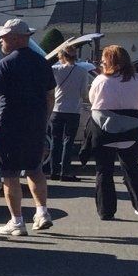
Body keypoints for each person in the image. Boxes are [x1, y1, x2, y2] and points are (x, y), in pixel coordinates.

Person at [0, 19, 56, 237]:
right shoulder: (42, 62)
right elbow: (50, 96)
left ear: (17, 38)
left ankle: (17, 221)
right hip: (36, 125)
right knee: (35, 169)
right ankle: (42, 212)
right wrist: (44, 120)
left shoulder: (8, 63)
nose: (1, 41)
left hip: (11, 124)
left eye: (4, 37)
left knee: (9, 174)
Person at [87, 45, 138, 219]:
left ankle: (106, 211)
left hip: (104, 127)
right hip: (131, 127)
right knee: (132, 167)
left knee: (103, 170)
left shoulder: (100, 80)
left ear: (108, 61)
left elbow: (92, 100)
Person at [49, 41, 90, 180]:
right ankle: (64, 171)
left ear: (63, 56)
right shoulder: (82, 71)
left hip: (57, 109)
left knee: (56, 141)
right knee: (68, 141)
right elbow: (84, 92)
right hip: (73, 110)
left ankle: (53, 171)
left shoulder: (56, 69)